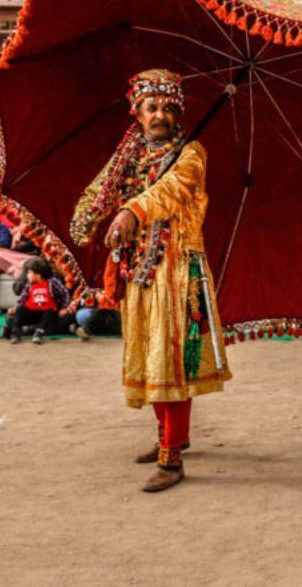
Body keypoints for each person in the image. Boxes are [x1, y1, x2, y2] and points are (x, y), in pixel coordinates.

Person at [70, 70, 229, 493]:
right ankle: (171, 436)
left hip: (180, 271)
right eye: (151, 108)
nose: (159, 114)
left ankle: (172, 458)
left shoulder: (191, 153)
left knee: (173, 361)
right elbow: (99, 189)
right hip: (139, 269)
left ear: (178, 113)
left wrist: (131, 212)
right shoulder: (129, 154)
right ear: (136, 114)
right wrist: (87, 216)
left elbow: (172, 190)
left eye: (167, 108)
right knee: (149, 354)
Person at [3, 257, 70, 345]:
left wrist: (64, 307)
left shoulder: (52, 282)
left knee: (58, 315)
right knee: (15, 314)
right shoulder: (29, 285)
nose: (27, 275)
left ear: (39, 274)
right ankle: (16, 332)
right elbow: (23, 297)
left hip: (48, 312)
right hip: (33, 311)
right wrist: (16, 308)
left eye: (30, 272)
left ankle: (38, 332)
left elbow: (65, 294)